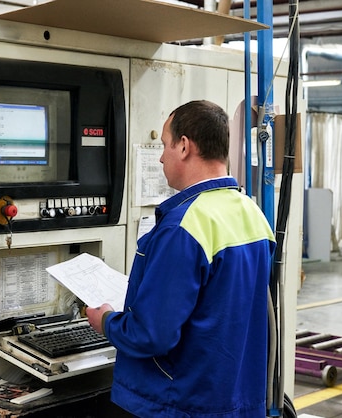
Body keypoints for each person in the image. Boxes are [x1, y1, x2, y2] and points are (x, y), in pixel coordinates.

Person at [87, 100, 276, 417]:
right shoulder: (252, 215)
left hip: (179, 403)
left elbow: (152, 335)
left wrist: (105, 320)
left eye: (164, 145)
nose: (161, 157)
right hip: (236, 400)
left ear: (185, 146)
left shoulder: (184, 226)